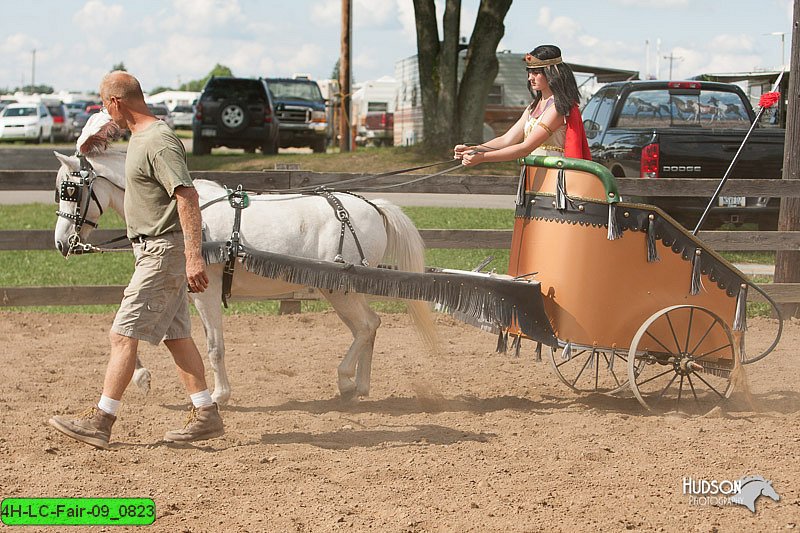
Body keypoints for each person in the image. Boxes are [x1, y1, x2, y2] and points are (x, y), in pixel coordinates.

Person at [49, 71, 223, 449]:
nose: (102, 112)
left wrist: (194, 256)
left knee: (121, 334)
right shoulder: (139, 139)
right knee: (176, 336)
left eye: (103, 104)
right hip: (154, 250)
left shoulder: (157, 142)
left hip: (162, 252)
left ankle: (101, 420)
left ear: (116, 103)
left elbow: (187, 197)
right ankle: (206, 413)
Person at [454, 44, 591, 166]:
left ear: (552, 73)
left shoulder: (556, 108)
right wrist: (475, 149)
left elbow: (525, 148)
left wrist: (483, 158)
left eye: (536, 73)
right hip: (533, 180)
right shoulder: (533, 106)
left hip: (555, 180)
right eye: (530, 72)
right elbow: (507, 139)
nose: (530, 77)